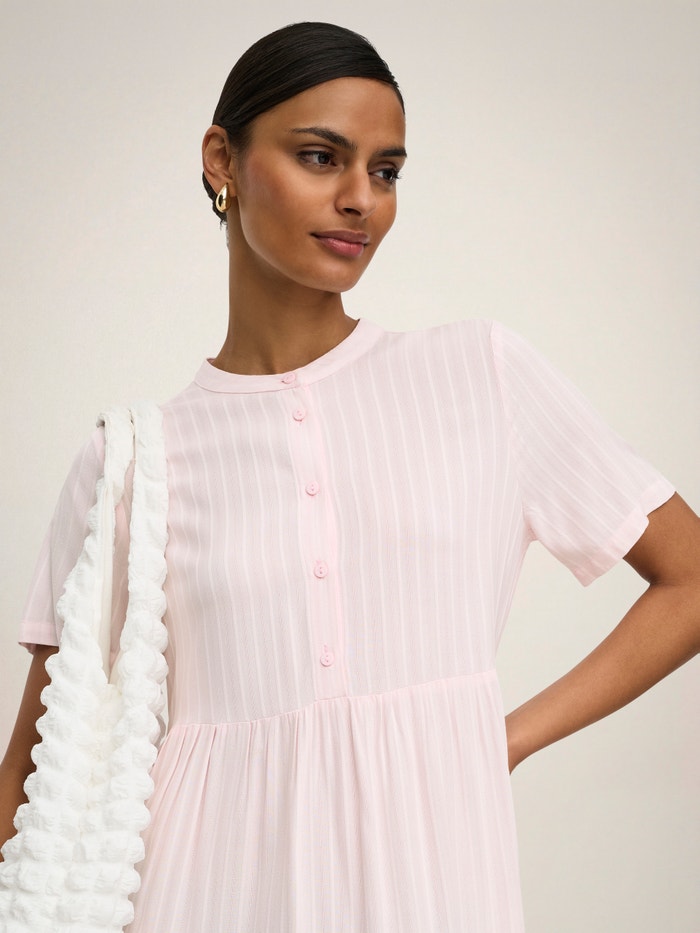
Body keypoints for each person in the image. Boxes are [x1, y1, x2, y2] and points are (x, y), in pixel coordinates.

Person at [1, 20, 699, 933]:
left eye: (387, 170)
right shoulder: (133, 457)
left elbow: (689, 577)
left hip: (434, 881)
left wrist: (502, 740)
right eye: (320, 156)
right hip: (201, 895)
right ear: (222, 160)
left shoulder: (477, 373)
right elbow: (35, 772)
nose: (361, 198)